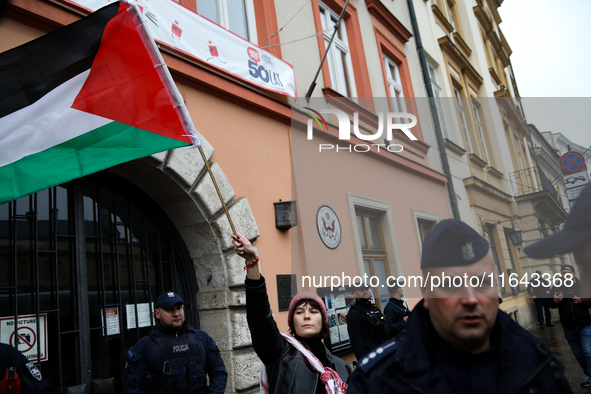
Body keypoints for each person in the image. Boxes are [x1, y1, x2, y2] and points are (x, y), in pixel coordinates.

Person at [347, 219, 571, 394]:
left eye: (482, 283)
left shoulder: (539, 362)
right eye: (450, 284)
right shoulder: (377, 382)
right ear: (426, 292)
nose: (470, 299)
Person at [232, 233, 350, 394]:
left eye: (313, 311)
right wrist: (252, 262)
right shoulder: (280, 354)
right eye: (299, 312)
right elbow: (260, 318)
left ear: (323, 320)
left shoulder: (342, 367)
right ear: (292, 322)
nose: (306, 316)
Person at [524, 183, 591, 388]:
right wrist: (554, 300)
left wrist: (584, 299)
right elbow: (551, 303)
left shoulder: (581, 283)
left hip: (585, 324)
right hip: (569, 325)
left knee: (587, 350)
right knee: (579, 352)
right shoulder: (557, 284)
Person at [123, 292, 227, 394]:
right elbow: (132, 385)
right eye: (170, 310)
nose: (176, 314)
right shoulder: (145, 345)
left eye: (179, 308)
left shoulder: (202, 338)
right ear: (157, 313)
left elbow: (219, 372)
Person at [346, 281, 390, 361]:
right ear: (355, 294)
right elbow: (356, 342)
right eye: (361, 290)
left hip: (385, 353)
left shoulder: (375, 309)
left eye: (366, 289)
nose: (365, 291)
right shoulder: (354, 314)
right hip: (371, 357)